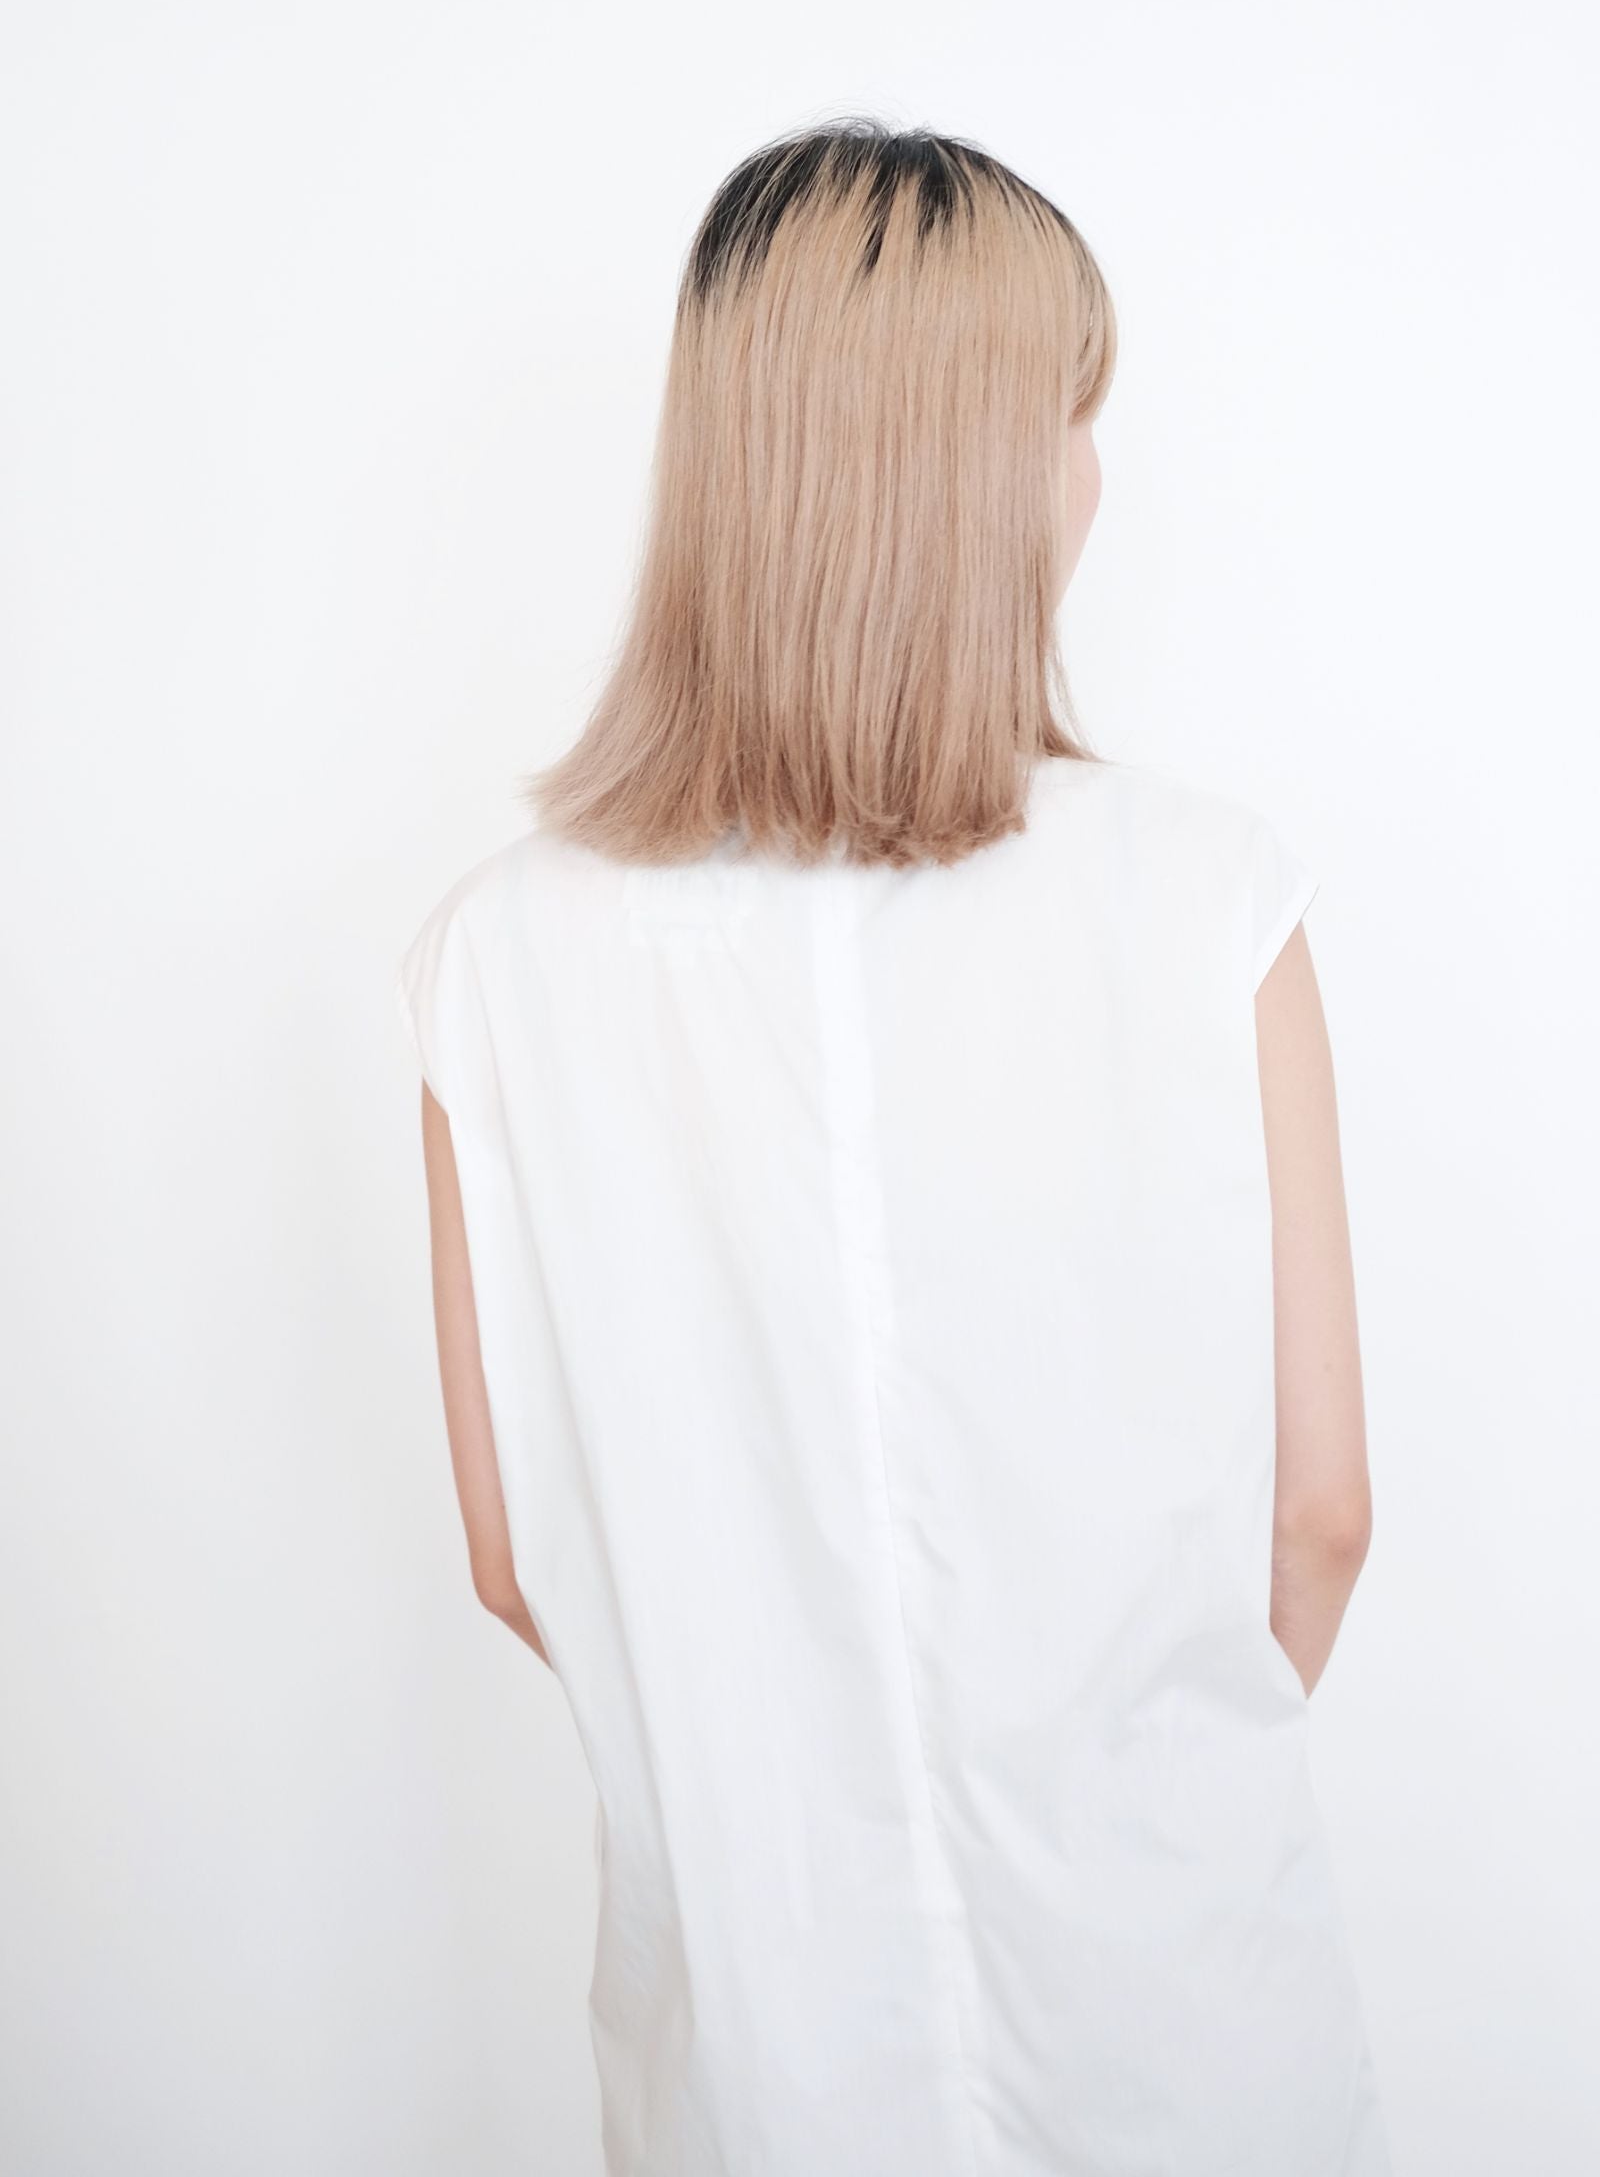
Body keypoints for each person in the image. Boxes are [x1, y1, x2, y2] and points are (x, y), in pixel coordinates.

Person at [395, 119, 1390, 2175]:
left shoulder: (494, 959)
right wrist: (1126, 1798)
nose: (1094, 475)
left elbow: (515, 1556)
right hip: (1187, 2039)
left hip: (752, 2067)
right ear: (977, 465)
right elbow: (1319, 1516)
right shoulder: (1208, 896)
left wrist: (775, 1754)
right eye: (1070, 416)